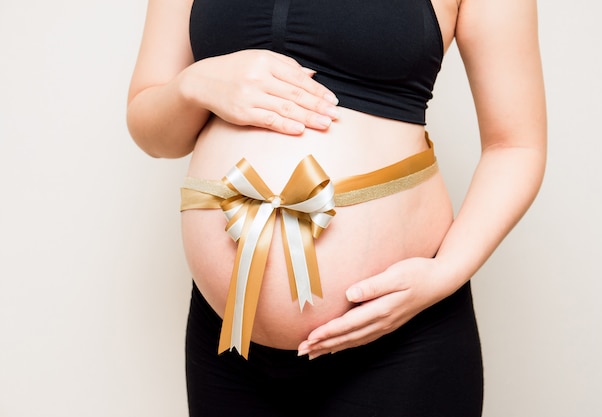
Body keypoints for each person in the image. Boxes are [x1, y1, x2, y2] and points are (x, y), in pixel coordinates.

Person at [127, 0, 546, 415]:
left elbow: (515, 145)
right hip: (227, 340)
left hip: (400, 335)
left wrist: (445, 273)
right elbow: (154, 133)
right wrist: (194, 84)